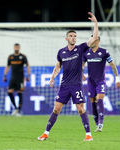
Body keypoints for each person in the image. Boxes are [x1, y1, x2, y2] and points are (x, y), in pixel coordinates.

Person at [37, 12, 98, 141]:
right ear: (66, 39)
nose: (73, 38)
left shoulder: (80, 49)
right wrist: (52, 77)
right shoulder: (61, 52)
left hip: (76, 85)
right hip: (64, 85)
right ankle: (46, 133)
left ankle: (88, 135)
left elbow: (93, 39)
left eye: (75, 36)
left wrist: (96, 24)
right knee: (56, 108)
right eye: (71, 36)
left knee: (81, 109)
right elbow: (58, 66)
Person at [82, 36, 120, 132]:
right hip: (90, 82)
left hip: (101, 81)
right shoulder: (86, 53)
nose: (91, 42)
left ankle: (101, 123)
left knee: (99, 99)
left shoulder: (104, 52)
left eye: (93, 40)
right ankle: (97, 125)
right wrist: (81, 73)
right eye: (90, 40)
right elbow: (82, 66)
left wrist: (117, 78)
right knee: (92, 102)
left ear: (98, 41)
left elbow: (112, 65)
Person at [3, 43, 31, 116]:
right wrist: (4, 75)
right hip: (13, 78)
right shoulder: (10, 57)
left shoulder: (23, 56)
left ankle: (18, 110)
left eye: (17, 47)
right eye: (15, 47)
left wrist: (28, 75)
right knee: (9, 92)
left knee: (19, 93)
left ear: (19, 48)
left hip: (20, 78)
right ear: (14, 48)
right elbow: (7, 66)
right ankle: (16, 108)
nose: (16, 48)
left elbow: (28, 66)